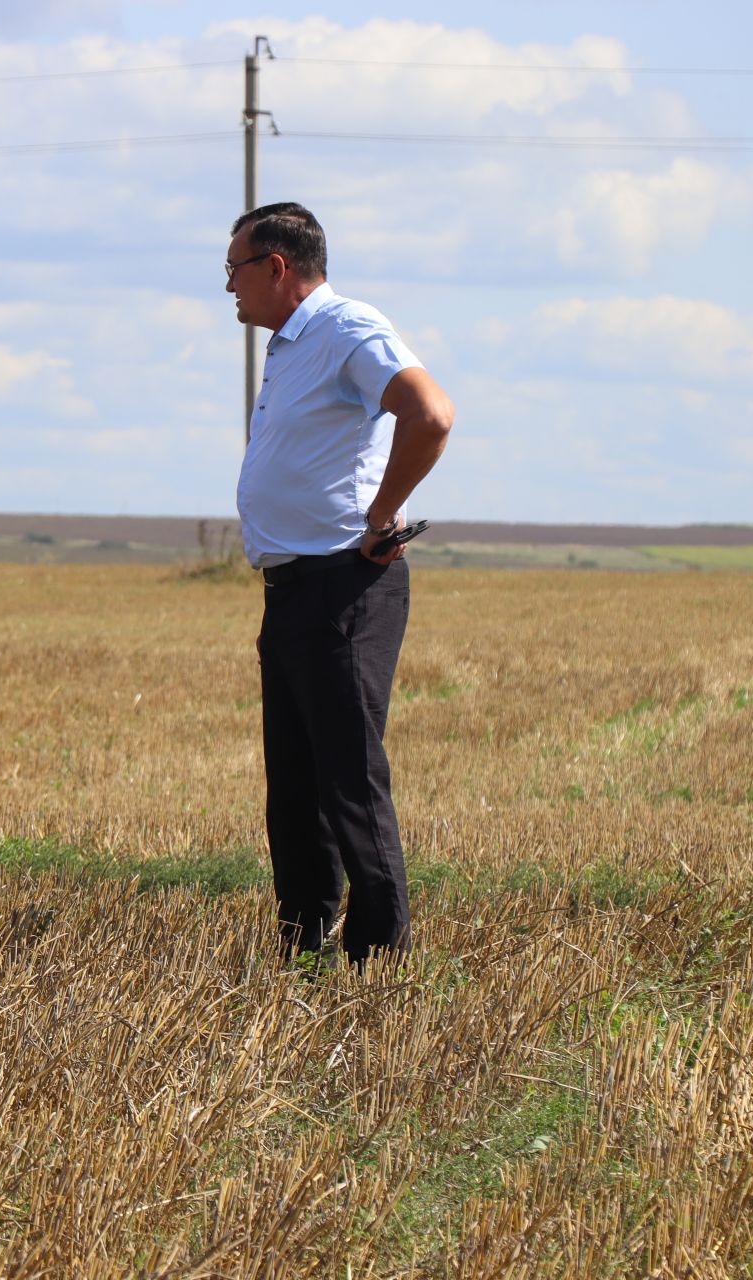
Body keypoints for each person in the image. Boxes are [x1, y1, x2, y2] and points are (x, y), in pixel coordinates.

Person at [226, 202, 454, 967]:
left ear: (277, 268)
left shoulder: (346, 327)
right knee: (294, 785)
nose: (229, 287)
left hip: (344, 586)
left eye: (235, 270)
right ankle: (303, 947)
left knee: (348, 779)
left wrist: (384, 512)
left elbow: (430, 414)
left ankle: (378, 961)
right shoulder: (291, 346)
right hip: (292, 591)